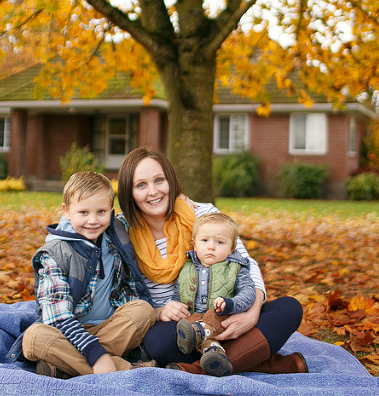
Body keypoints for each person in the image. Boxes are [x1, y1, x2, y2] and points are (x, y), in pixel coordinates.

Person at [117, 147, 308, 376]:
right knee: (157, 344)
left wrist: (252, 313)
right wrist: (158, 312)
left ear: (171, 180)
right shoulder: (123, 233)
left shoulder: (202, 213)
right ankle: (258, 360)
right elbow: (121, 293)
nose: (153, 191)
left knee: (289, 309)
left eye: (160, 180)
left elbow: (246, 263)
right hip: (181, 328)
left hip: (227, 313)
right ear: (129, 192)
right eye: (141, 185)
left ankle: (195, 369)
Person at [21, 171, 156, 377]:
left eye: (101, 212)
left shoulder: (116, 233)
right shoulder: (55, 254)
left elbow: (146, 210)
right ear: (66, 211)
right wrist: (95, 354)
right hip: (67, 333)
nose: (93, 221)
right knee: (33, 338)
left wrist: (184, 201)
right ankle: (124, 369)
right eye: (83, 212)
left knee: (144, 310)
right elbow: (58, 317)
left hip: (110, 328)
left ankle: (68, 366)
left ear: (111, 211)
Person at [170, 211, 258, 376]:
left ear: (232, 249)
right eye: (204, 241)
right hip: (194, 317)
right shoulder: (185, 267)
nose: (211, 246)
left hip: (223, 316)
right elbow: (178, 293)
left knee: (213, 314)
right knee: (192, 323)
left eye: (220, 242)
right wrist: (176, 307)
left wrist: (230, 304)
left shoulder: (235, 268)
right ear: (194, 244)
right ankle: (214, 356)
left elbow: (248, 292)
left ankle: (200, 333)